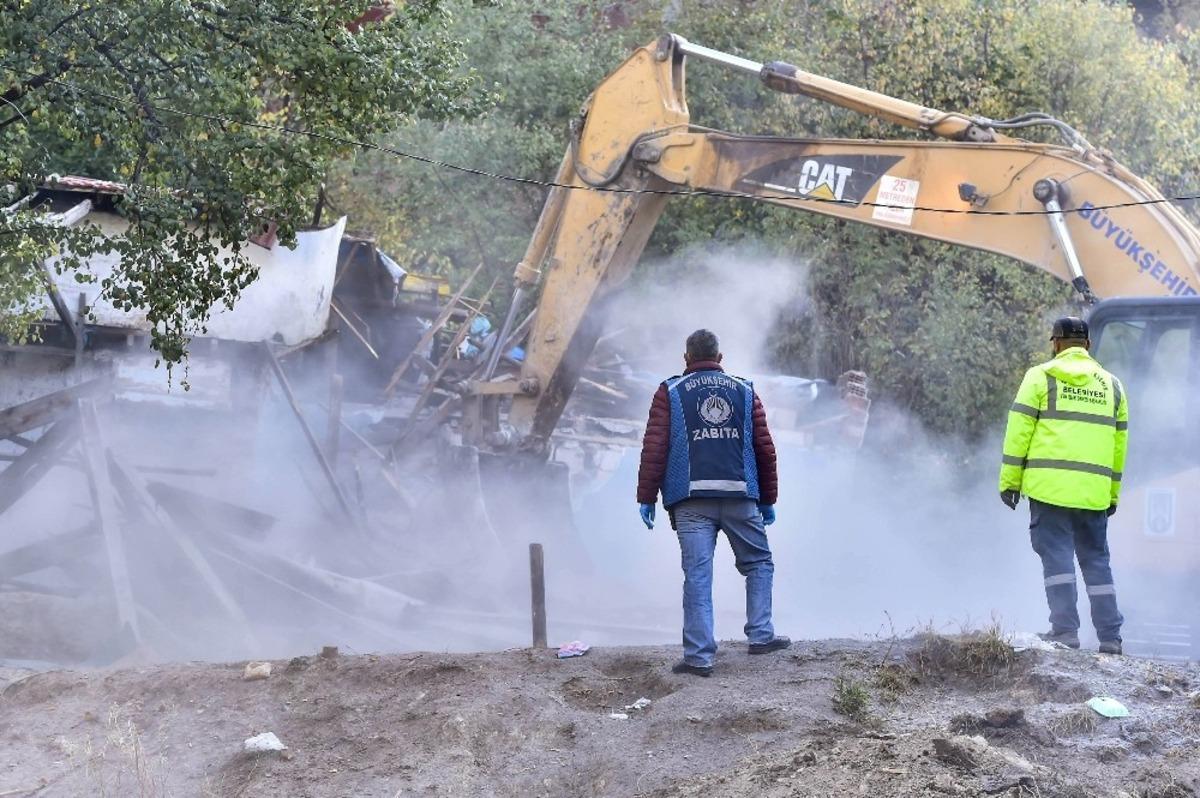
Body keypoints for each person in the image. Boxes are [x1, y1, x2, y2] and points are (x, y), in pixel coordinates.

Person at [636, 329, 788, 676]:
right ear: (720, 359)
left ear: (686, 358)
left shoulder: (670, 391)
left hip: (690, 501)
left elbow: (655, 448)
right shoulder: (745, 390)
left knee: (698, 576)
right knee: (759, 563)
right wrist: (768, 499)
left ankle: (699, 657)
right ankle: (761, 635)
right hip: (740, 496)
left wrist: (646, 497)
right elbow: (765, 449)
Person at [999, 316, 1129, 654]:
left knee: (1058, 561)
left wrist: (1010, 482)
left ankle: (1065, 632)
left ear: (1056, 344)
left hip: (1050, 490)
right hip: (1093, 495)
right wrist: (1112, 495)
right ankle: (1110, 638)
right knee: (1097, 562)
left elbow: (1019, 434)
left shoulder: (1040, 377)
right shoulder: (1112, 386)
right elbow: (1118, 448)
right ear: (1087, 345)